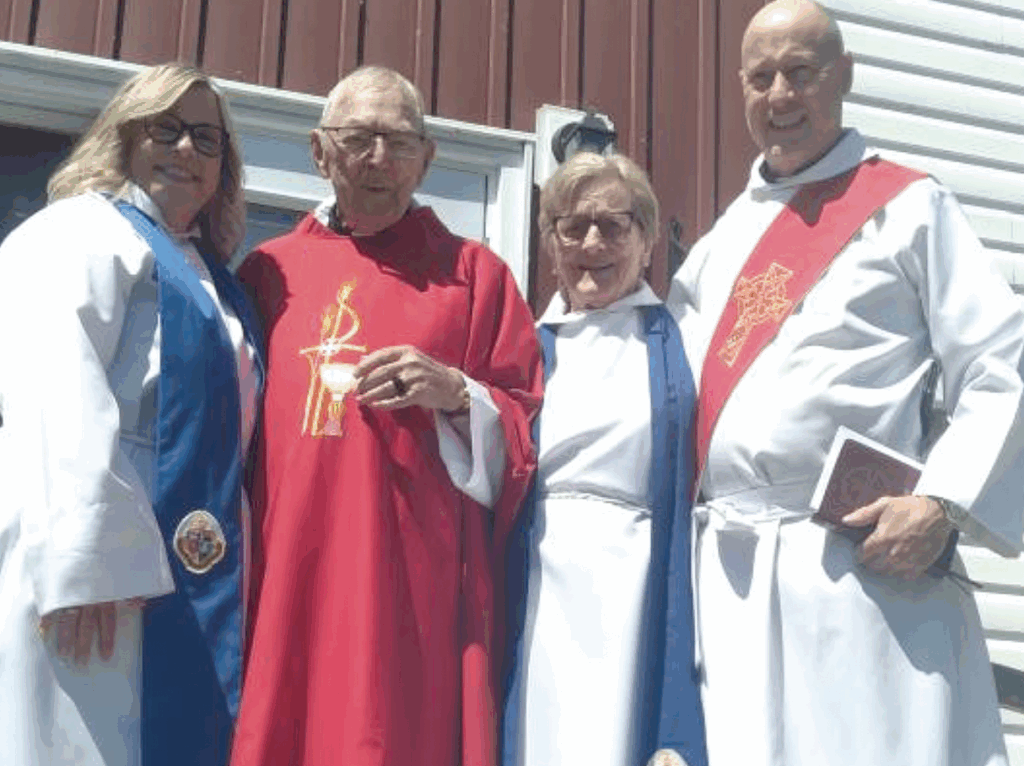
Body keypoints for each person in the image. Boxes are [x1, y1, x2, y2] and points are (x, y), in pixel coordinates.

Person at [668, 1, 1024, 764]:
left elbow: (1002, 363)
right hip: (728, 583)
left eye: (801, 72)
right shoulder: (718, 247)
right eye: (762, 77)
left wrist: (942, 504)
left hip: (863, 567)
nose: (780, 95)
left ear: (846, 76)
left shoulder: (910, 208)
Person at [230, 65, 542, 766]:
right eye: (359, 139)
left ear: (426, 159)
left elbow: (522, 432)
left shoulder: (474, 277)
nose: (380, 159)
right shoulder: (268, 272)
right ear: (320, 151)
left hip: (407, 575)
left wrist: (457, 392)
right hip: (288, 565)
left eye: (400, 143)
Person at [0, 64, 263, 766]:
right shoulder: (77, 232)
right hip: (97, 552)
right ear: (124, 136)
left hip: (190, 561)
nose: (185, 150)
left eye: (206, 138)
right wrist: (85, 559)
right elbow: (56, 387)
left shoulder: (214, 279)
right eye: (164, 129)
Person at [501, 152, 707, 766]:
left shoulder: (685, 342)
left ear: (647, 243)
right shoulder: (520, 350)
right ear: (551, 244)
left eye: (614, 226)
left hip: (634, 577)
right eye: (573, 227)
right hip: (539, 579)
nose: (592, 243)